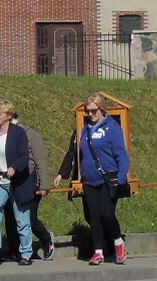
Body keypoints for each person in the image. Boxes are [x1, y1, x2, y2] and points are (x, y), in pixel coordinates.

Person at [55, 93, 130, 265]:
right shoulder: (85, 128)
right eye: (87, 111)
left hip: (107, 178)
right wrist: (64, 173)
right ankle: (98, 252)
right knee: (94, 217)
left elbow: (121, 153)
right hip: (90, 179)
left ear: (102, 109)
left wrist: (121, 175)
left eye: (93, 111)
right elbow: (75, 152)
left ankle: (118, 242)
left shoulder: (112, 128)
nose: (90, 114)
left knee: (107, 214)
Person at [0, 101, 38, 266]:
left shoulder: (18, 133)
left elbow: (24, 157)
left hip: (16, 182)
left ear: (8, 115)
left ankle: (26, 253)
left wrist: (14, 167)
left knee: (21, 220)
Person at [14, 112, 56, 261]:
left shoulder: (31, 135)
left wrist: (44, 185)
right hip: (14, 182)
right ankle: (16, 249)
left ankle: (46, 238)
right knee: (15, 219)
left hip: (32, 181)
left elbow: (41, 161)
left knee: (30, 218)